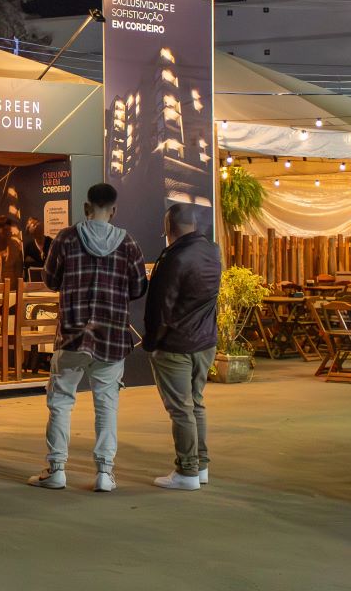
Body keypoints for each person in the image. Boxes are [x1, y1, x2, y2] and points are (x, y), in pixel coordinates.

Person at [28, 183, 148, 493]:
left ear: (86, 207)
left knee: (60, 403)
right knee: (106, 406)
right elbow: (138, 288)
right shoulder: (128, 243)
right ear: (114, 210)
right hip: (111, 336)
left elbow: (51, 281)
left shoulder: (66, 238)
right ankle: (104, 474)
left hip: (72, 336)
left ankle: (56, 469)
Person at [145, 204, 221, 491]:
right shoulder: (213, 251)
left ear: (168, 227)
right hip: (205, 341)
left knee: (181, 409)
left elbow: (160, 306)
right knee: (196, 403)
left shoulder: (173, 256)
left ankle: (187, 471)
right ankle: (200, 467)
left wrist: (152, 343)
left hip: (176, 344)